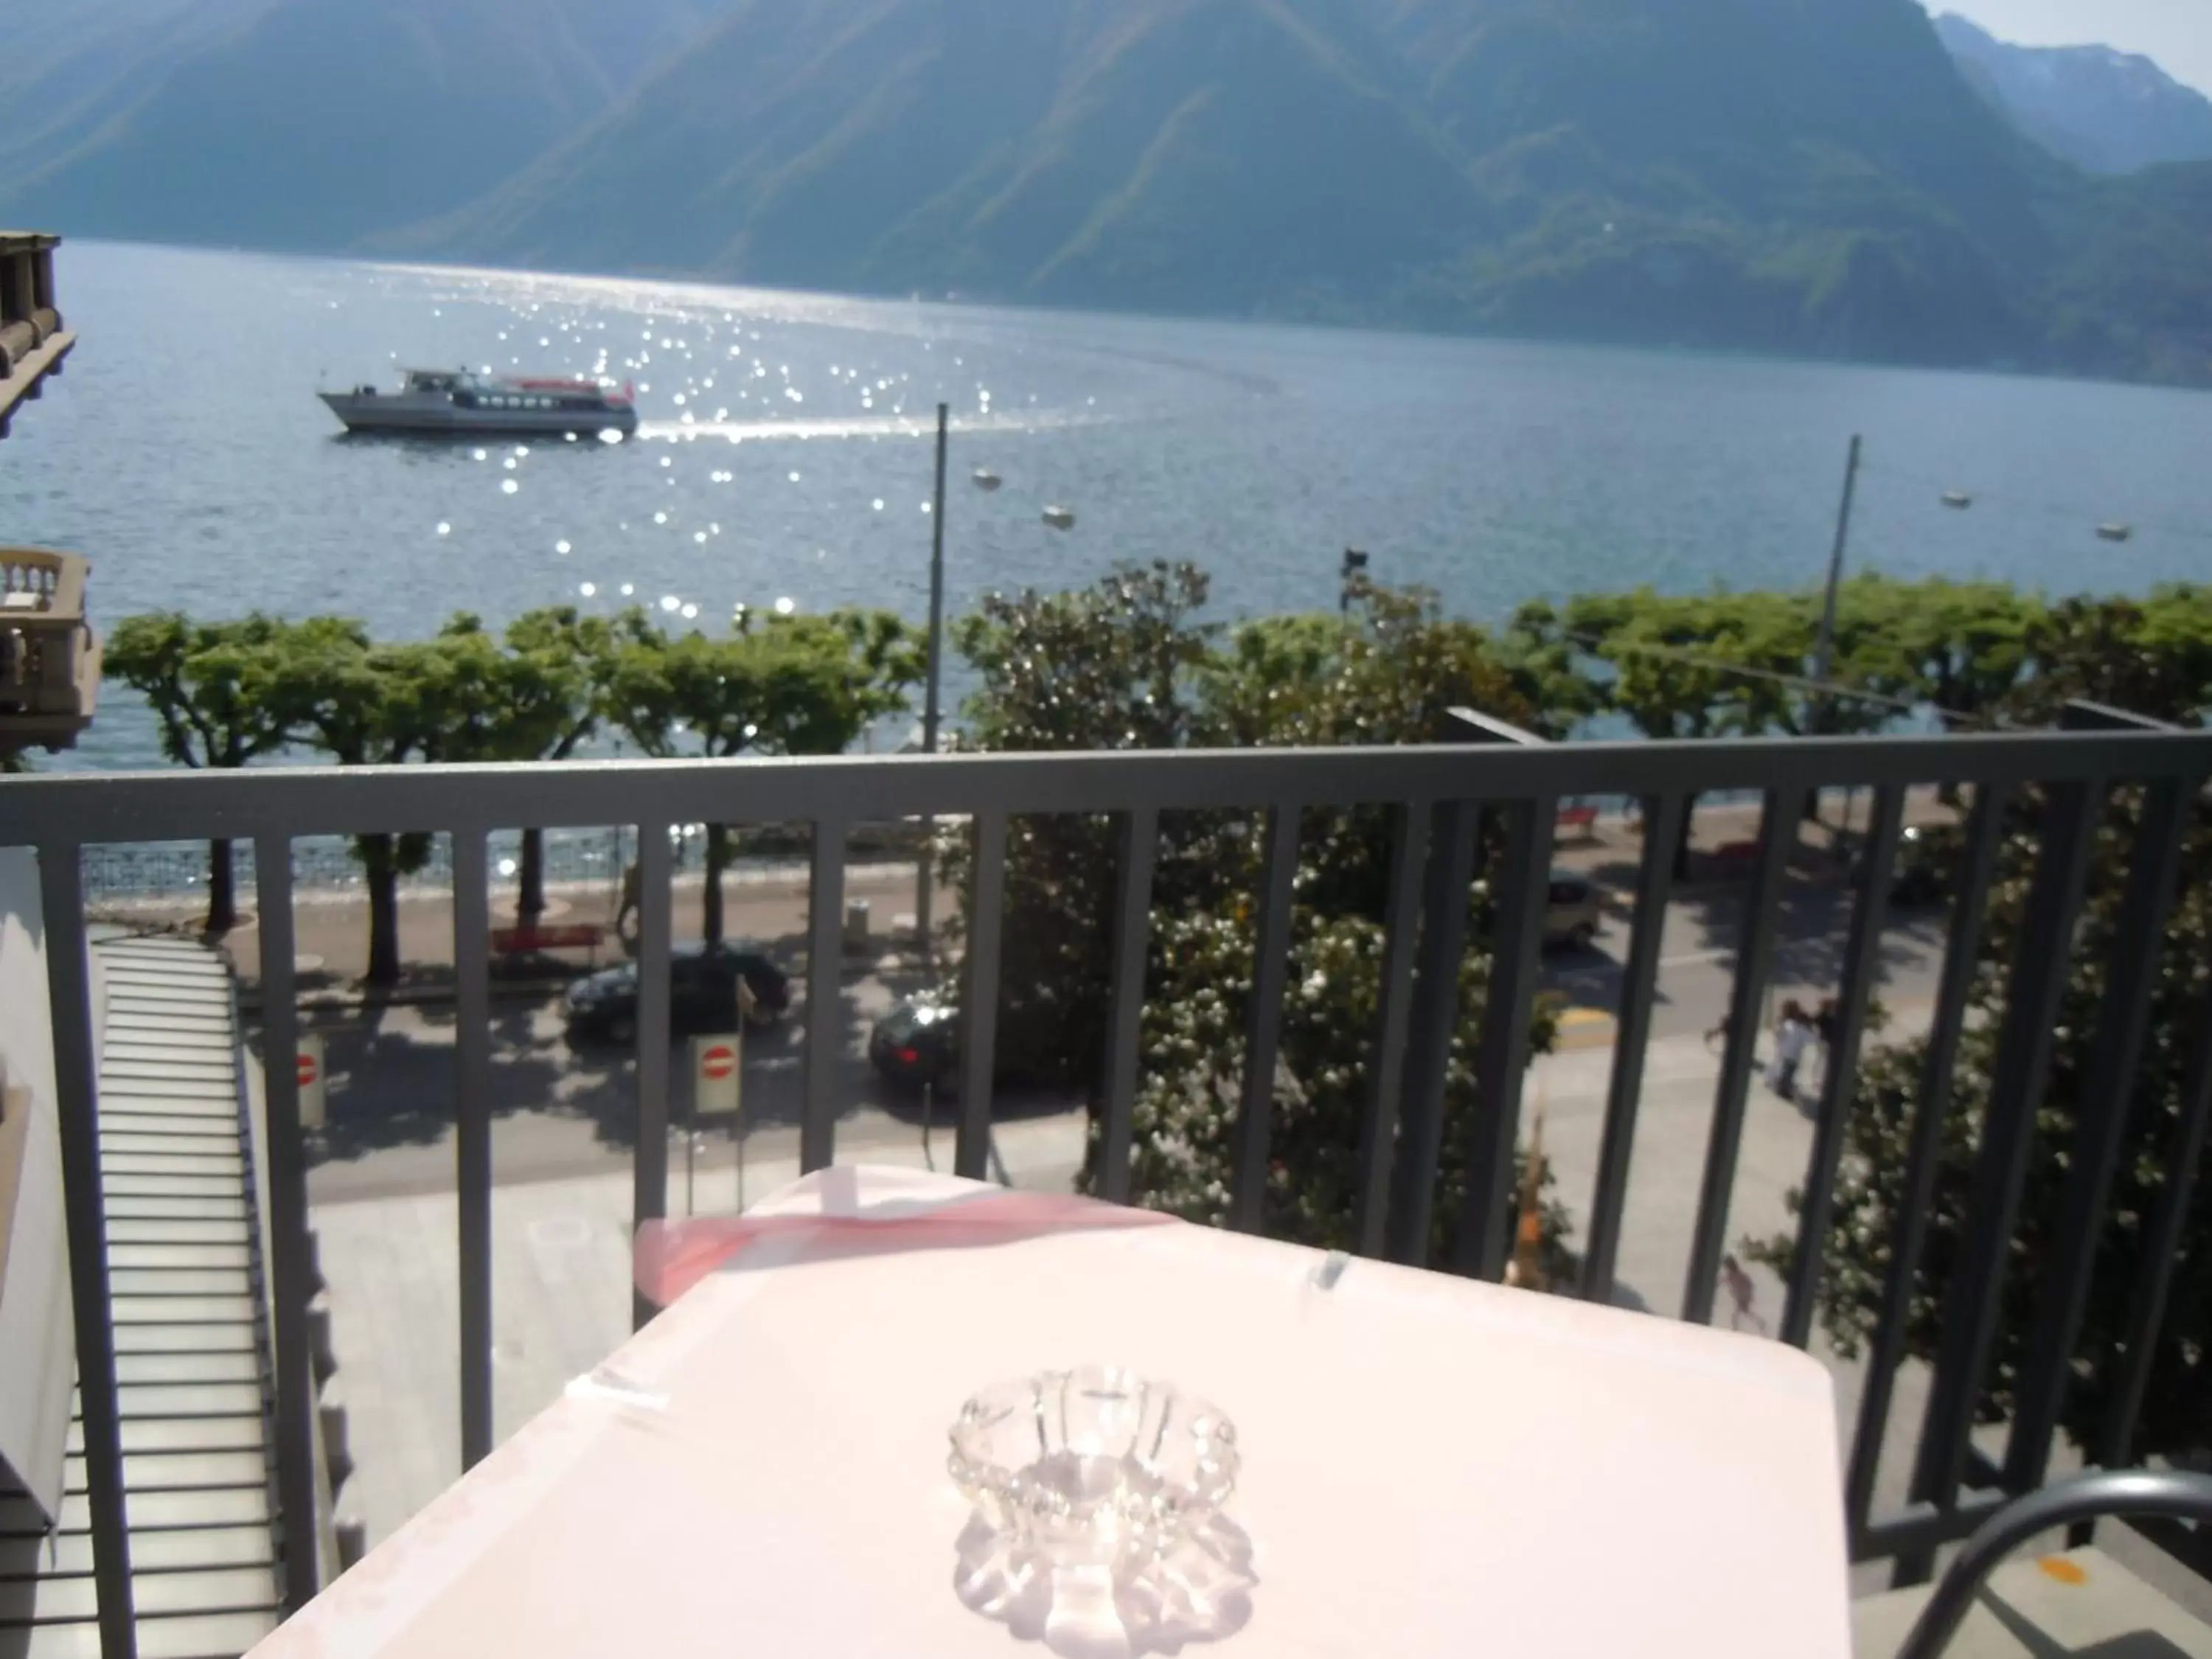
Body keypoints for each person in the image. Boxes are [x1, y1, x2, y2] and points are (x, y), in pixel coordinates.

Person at [1769, 999, 1812, 1103]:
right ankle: (1784, 1090)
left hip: (1788, 1051)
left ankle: (1783, 1088)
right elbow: (1805, 1037)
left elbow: (1780, 1035)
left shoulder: (1786, 1023)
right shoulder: (1792, 1025)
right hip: (1791, 1052)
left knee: (1787, 1071)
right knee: (1788, 1072)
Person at [1721, 1253, 1766, 1334]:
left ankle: (1759, 1323)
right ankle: (1759, 1323)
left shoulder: (1733, 1275)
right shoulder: (1736, 1274)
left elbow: (1731, 1283)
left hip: (1742, 1297)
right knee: (1742, 1313)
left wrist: (1742, 1296)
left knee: (1740, 1313)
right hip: (1743, 1296)